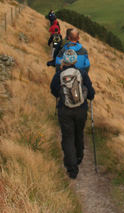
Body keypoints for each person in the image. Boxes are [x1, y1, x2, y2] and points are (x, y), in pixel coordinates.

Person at [50, 49, 95, 180]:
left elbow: (53, 91)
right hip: (81, 109)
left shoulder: (58, 75)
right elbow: (91, 93)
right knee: (78, 133)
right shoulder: (82, 73)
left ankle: (72, 169)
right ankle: (79, 157)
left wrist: (61, 94)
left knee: (68, 137)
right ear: (75, 61)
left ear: (63, 61)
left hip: (65, 110)